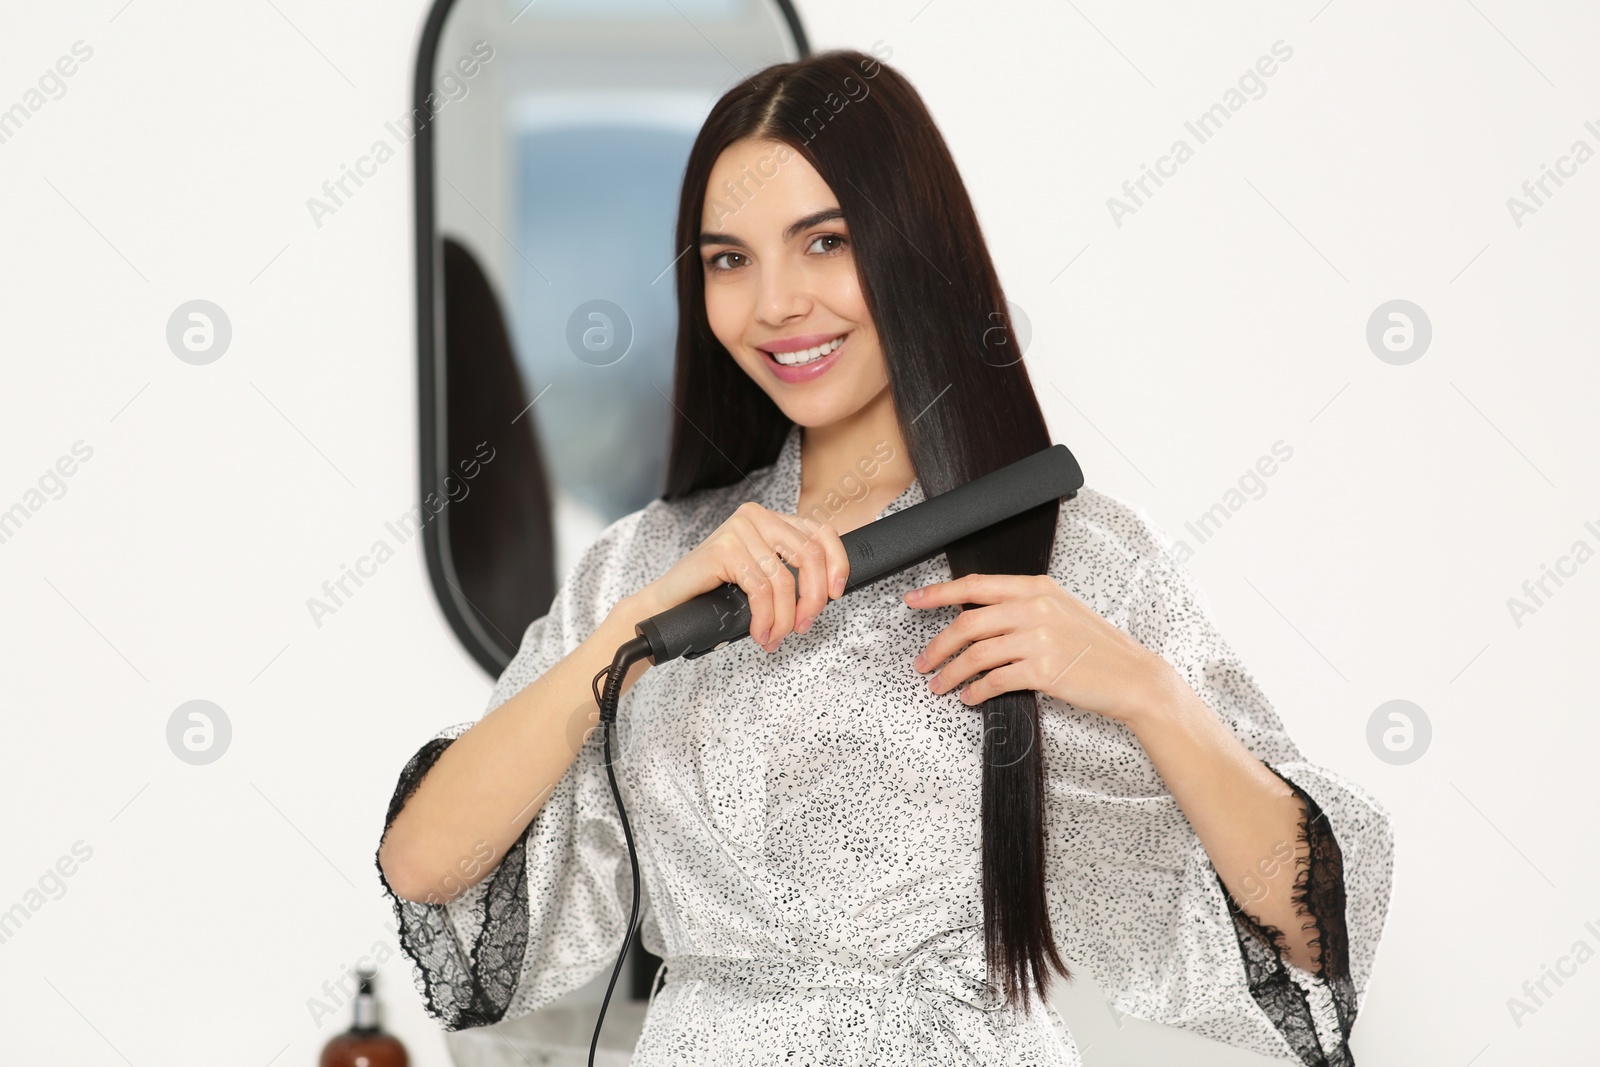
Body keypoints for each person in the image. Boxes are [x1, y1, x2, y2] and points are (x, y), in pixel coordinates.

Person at [376, 49, 1394, 1067]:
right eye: (728, 259)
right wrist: (626, 632)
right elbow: (426, 862)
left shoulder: (1063, 552)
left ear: (913, 247)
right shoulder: (650, 559)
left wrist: (1146, 693)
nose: (775, 302)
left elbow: (1308, 935)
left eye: (824, 241)